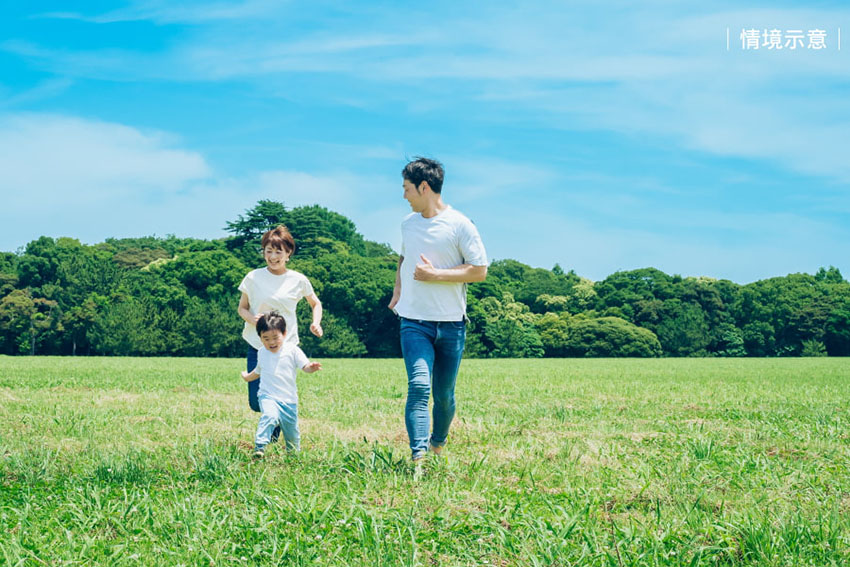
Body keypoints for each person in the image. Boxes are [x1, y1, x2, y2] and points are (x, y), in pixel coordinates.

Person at [388, 157, 488, 462]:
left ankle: (438, 442)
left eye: (407, 189)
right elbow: (404, 259)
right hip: (414, 321)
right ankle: (418, 456)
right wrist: (397, 292)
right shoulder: (408, 224)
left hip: (450, 324)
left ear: (424, 186)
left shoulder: (461, 224)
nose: (403, 195)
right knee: (419, 386)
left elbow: (479, 271)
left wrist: (436, 276)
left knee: (443, 396)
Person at [237, 225, 323, 442]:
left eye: (278, 252)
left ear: (288, 253)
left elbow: (315, 303)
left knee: (279, 395)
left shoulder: (298, 280)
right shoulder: (253, 277)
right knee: (256, 401)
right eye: (268, 251)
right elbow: (242, 308)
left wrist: (316, 323)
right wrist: (251, 319)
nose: (273, 257)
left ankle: (272, 436)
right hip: (257, 343)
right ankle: (274, 419)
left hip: (286, 346)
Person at [241, 311, 322, 457]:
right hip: (268, 396)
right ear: (260, 337)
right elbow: (258, 371)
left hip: (289, 400)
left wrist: (312, 367)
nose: (271, 342)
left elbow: (305, 366)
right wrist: (247, 377)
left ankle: (293, 456)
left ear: (284, 334)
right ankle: (260, 446)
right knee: (270, 416)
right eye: (266, 338)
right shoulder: (261, 352)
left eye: (275, 338)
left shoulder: (292, 350)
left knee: (292, 433)